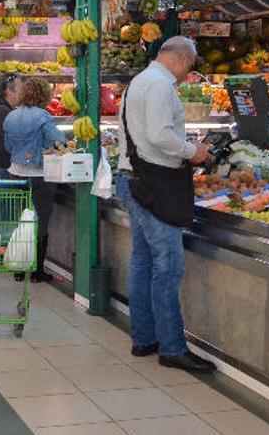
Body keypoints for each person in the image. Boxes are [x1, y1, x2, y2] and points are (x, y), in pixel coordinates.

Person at [115, 36, 216, 373]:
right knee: (168, 265)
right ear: (181, 56)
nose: (189, 71)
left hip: (133, 180)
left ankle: (144, 338)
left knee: (143, 261)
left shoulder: (137, 83)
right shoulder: (159, 85)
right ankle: (172, 347)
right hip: (152, 186)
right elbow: (160, 135)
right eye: (190, 64)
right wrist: (194, 152)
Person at [3, 77, 65, 283]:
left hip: (15, 173)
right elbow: (59, 141)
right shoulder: (43, 116)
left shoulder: (11, 116)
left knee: (21, 220)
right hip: (39, 176)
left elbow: (8, 148)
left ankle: (19, 268)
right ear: (44, 95)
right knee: (40, 222)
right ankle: (37, 272)